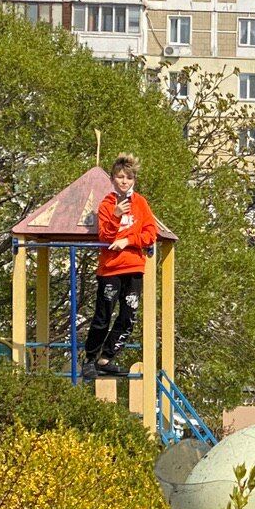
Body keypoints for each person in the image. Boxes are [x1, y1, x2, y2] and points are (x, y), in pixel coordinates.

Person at [85, 153, 158, 377]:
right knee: (103, 315)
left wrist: (128, 240)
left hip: (134, 268)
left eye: (128, 177)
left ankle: (106, 358)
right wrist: (116, 215)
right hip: (110, 269)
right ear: (113, 179)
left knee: (128, 316)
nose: (124, 181)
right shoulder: (107, 204)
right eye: (120, 177)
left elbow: (150, 233)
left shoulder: (141, 204)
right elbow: (105, 236)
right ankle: (89, 359)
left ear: (134, 180)